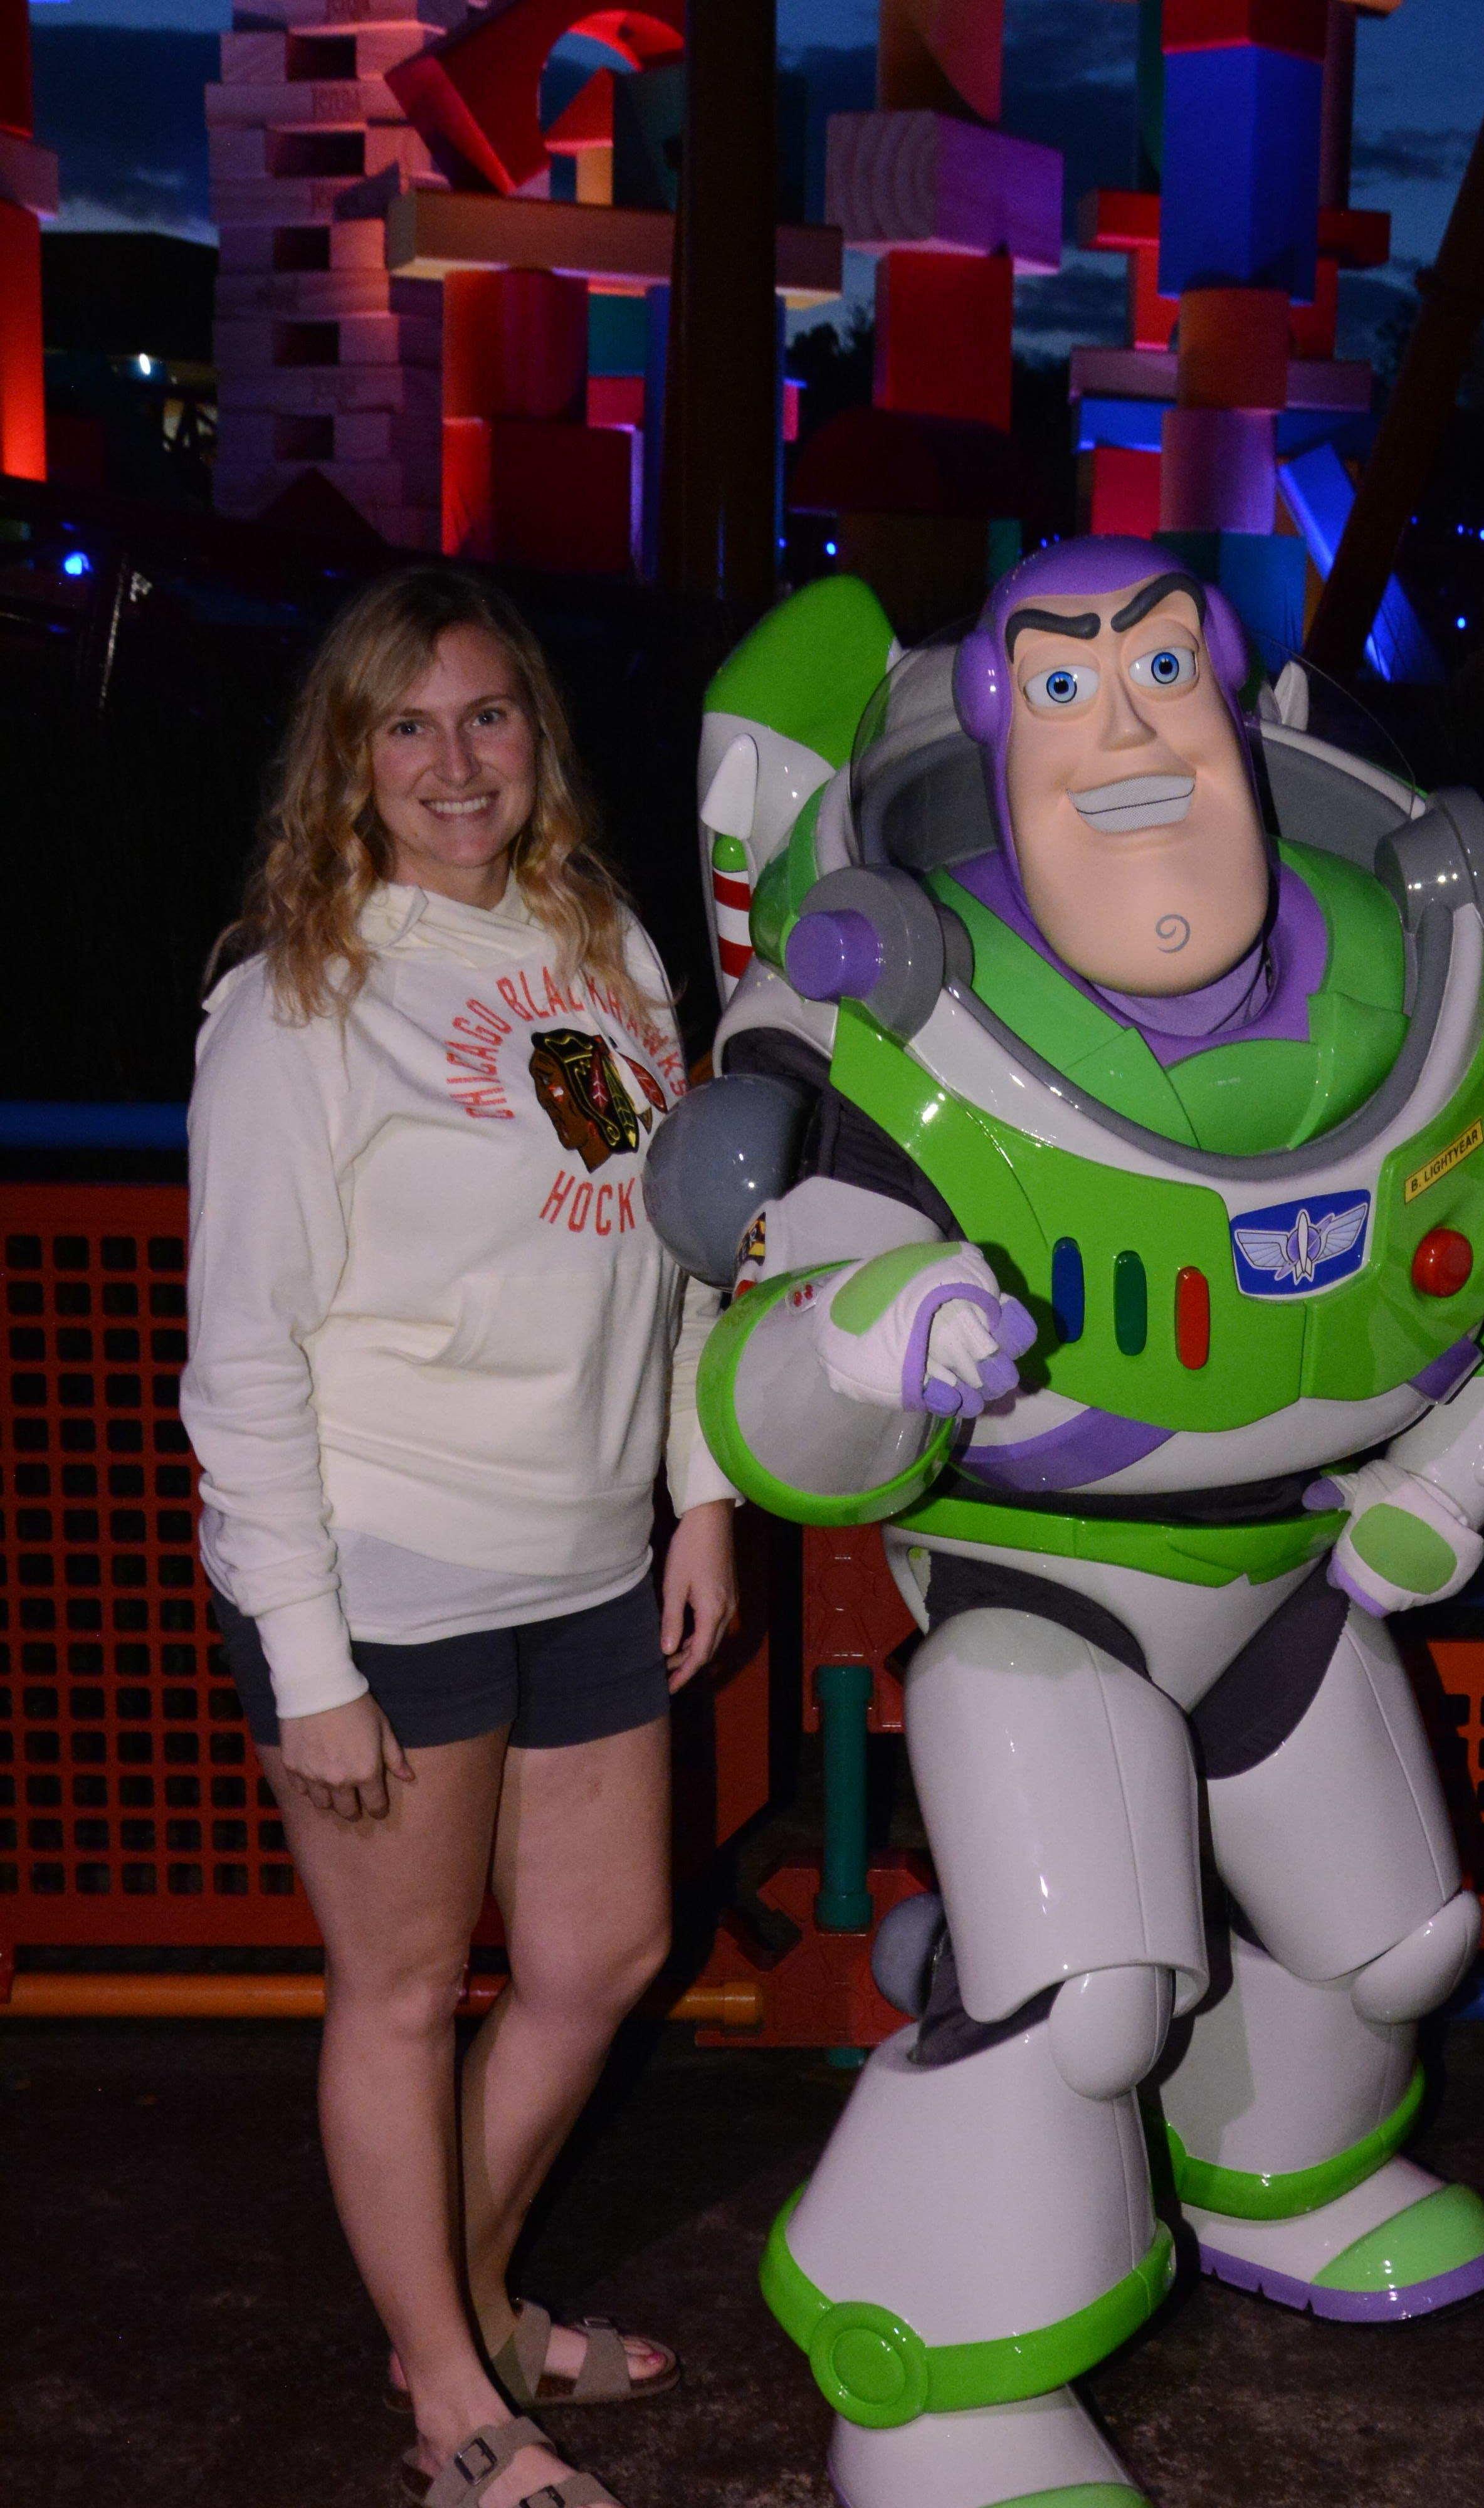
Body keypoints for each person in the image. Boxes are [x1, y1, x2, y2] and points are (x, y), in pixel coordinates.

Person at [646, 538, 1484, 2508]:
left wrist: (1446, 1490)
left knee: (1404, 1945)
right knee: (1095, 1998)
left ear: (1238, 703)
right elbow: (761, 1387)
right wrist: (866, 1340)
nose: (1128, 731)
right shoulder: (904, 1010)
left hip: (1284, 1575)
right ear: (996, 733)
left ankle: (1278, 2171)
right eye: (1066, 689)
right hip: (1047, 1596)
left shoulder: (1403, 983)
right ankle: (928, 2378)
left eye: (1164, 671)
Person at [181, 564, 740, 2508]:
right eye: (405, 726)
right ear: (347, 757)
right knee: (407, 1993)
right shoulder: (299, 998)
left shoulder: (605, 945)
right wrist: (310, 1662)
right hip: (385, 1569)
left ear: (535, 739)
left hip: (587, 1552)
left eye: (486, 715)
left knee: (604, 1954)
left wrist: (699, 1495)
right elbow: (242, 1354)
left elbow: (679, 1251)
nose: (452, 761)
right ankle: (449, 2395)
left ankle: (469, 2308)